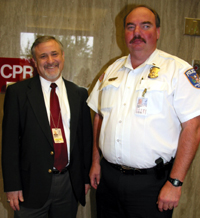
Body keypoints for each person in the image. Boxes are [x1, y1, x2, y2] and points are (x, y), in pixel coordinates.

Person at [87, 4, 200, 218]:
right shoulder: (112, 70)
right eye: (130, 27)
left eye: (145, 26)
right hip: (108, 179)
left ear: (157, 32)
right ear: (124, 33)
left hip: (152, 185)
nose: (136, 32)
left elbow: (193, 128)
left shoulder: (177, 71)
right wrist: (95, 161)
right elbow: (99, 116)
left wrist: (175, 182)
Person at [2, 35, 93, 218]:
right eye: (43, 56)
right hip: (30, 186)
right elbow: (10, 145)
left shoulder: (79, 94)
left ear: (63, 56)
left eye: (54, 54)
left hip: (68, 184)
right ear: (35, 62)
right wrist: (12, 186)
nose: (50, 61)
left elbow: (85, 141)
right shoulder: (18, 93)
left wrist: (84, 178)